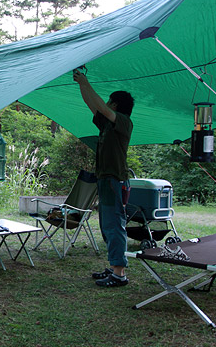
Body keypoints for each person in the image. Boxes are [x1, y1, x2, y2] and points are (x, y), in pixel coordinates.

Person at [73, 68, 134, 287]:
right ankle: (114, 266)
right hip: (106, 180)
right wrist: (82, 85)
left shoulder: (124, 122)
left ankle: (119, 273)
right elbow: (93, 105)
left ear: (115, 105)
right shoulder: (107, 125)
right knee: (107, 225)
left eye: (109, 102)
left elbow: (100, 106)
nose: (105, 104)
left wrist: (87, 81)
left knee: (114, 225)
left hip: (115, 180)